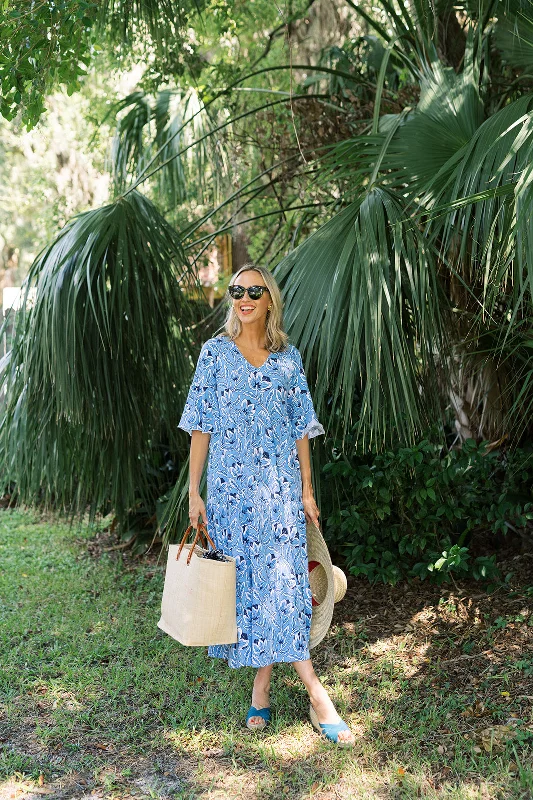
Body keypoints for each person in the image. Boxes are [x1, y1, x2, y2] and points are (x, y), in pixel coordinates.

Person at [178, 263, 355, 745]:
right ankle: (277, 689)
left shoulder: (287, 359)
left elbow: (302, 430)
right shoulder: (213, 355)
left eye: (254, 290)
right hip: (231, 495)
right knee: (252, 589)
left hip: (278, 495)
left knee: (283, 587)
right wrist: (194, 492)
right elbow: (200, 426)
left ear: (269, 299)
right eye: (237, 290)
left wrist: (307, 491)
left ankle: (305, 695)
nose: (244, 297)